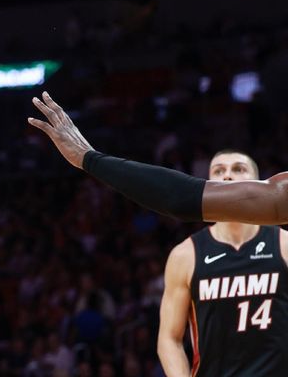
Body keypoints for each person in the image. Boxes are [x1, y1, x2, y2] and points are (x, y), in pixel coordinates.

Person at [27, 90, 288, 225]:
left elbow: (180, 198)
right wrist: (89, 158)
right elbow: (181, 197)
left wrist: (89, 159)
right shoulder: (188, 256)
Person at [157, 150, 288, 376]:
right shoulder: (185, 255)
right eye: (218, 171)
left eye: (238, 169)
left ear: (259, 185)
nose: (227, 176)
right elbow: (169, 338)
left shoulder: (284, 244)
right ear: (207, 186)